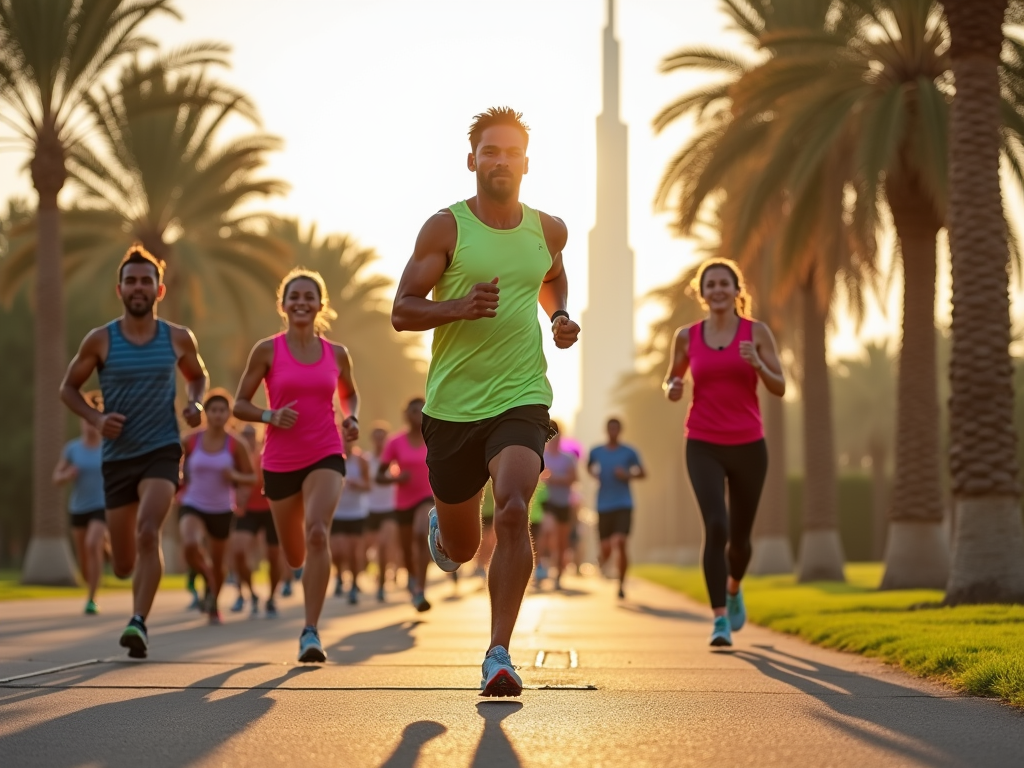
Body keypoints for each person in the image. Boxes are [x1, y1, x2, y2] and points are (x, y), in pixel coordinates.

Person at [390, 107, 581, 696]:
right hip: (450, 409)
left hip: (521, 395)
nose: (501, 161)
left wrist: (562, 315)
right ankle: (444, 535)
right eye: (490, 152)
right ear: (472, 161)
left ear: (527, 162)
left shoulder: (548, 229)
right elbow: (402, 309)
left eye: (512, 152)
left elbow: (551, 275)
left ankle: (498, 652)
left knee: (514, 506)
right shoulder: (444, 229)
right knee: (465, 546)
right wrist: (456, 307)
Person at [59, 245, 208, 658]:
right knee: (124, 562)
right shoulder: (100, 340)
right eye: (131, 281)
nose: (138, 287)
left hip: (162, 448)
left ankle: (138, 622)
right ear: (119, 289)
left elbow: (198, 376)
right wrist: (95, 420)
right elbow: (67, 389)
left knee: (149, 531)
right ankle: (129, 583)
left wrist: (194, 403)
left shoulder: (177, 337)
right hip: (117, 458)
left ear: (159, 289)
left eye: (146, 280)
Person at [233, 268, 359, 663]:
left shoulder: (336, 354)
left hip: (326, 451)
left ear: (320, 305)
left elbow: (350, 394)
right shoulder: (267, 350)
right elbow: (240, 404)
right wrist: (270, 416)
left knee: (318, 532)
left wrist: (351, 417)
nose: (301, 302)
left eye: (309, 296)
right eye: (294, 296)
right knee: (294, 554)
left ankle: (310, 631)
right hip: (280, 461)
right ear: (283, 305)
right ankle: (300, 570)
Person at [664, 257, 785, 647]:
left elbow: (780, 386)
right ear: (702, 294)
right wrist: (672, 389)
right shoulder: (687, 336)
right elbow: (672, 377)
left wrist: (758, 365)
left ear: (737, 291)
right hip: (702, 442)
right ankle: (719, 620)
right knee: (716, 524)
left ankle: (734, 588)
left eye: (724, 284)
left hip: (749, 443)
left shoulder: (757, 333)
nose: (717, 290)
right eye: (710, 284)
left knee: (740, 538)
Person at [178, 389, 254, 624]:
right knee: (190, 544)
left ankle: (212, 602)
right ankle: (208, 575)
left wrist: (234, 475)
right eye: (213, 410)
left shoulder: (236, 444)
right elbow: (174, 464)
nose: (218, 415)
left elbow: (252, 478)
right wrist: (176, 481)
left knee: (219, 561)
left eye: (222, 411)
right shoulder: (191, 440)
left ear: (229, 414)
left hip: (221, 508)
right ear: (206, 413)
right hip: (192, 502)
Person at [52, 390, 108, 615]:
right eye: (85, 421)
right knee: (84, 557)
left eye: (93, 421)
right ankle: (91, 582)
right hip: (78, 507)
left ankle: (92, 598)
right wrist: (66, 476)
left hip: (102, 506)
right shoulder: (72, 449)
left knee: (92, 544)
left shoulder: (108, 448)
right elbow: (56, 477)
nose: (89, 426)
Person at [375, 398, 434, 611]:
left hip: (427, 496)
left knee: (421, 533)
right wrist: (396, 479)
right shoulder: (395, 442)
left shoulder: (433, 437)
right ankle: (413, 580)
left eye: (422, 410)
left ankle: (420, 588)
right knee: (407, 548)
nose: (418, 414)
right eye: (414, 410)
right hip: (403, 502)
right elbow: (379, 476)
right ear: (406, 414)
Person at [588, 418, 645, 600]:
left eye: (616, 428)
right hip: (603, 505)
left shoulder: (629, 452)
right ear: (606, 430)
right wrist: (594, 473)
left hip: (623, 503)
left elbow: (643, 473)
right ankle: (601, 560)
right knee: (606, 547)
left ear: (620, 430)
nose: (613, 431)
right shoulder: (596, 451)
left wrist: (627, 474)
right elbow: (588, 466)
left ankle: (621, 584)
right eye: (610, 428)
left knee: (620, 542)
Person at [230, 424, 282, 618]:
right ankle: (250, 593)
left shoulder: (265, 455)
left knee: (274, 558)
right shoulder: (235, 458)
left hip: (270, 510)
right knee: (238, 552)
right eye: (244, 434)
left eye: (251, 435)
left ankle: (271, 597)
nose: (247, 438)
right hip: (247, 511)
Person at [331, 432, 370, 604]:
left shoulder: (361, 460)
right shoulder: (332, 460)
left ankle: (354, 585)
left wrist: (357, 484)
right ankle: (339, 576)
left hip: (356, 513)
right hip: (337, 512)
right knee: (338, 551)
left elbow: (368, 485)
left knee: (354, 553)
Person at [540, 423, 577, 590]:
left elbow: (572, 479)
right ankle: (541, 567)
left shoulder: (568, 458)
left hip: (564, 503)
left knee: (562, 542)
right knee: (548, 529)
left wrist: (554, 478)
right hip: (547, 502)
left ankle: (559, 576)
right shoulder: (541, 455)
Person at [364, 423, 398, 602]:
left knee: (384, 545)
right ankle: (369, 573)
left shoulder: (394, 462)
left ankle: (382, 585)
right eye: (376, 437)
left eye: (382, 437)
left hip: (390, 508)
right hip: (369, 509)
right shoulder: (367, 460)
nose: (379, 441)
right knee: (367, 550)